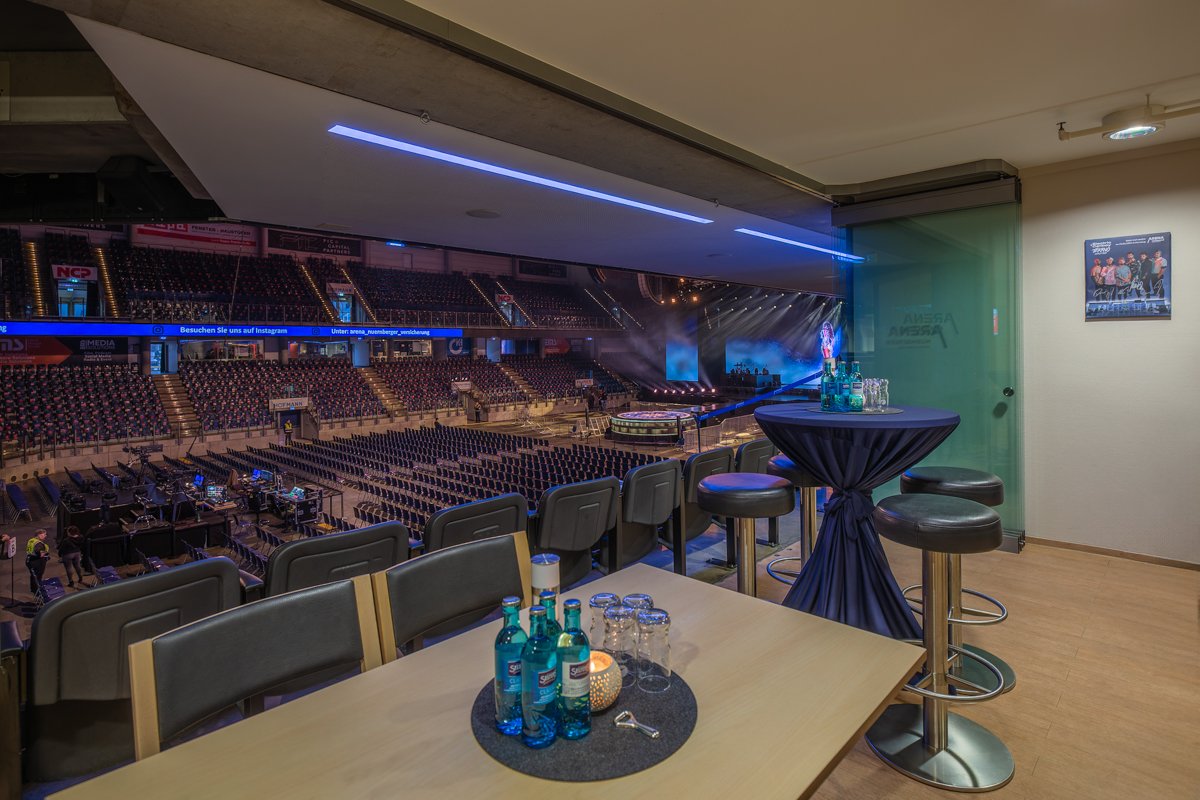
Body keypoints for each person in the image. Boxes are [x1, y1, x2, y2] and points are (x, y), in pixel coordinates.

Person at [26, 529, 50, 593]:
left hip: (29, 560)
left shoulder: (31, 540)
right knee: (38, 577)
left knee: (33, 576)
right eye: (44, 534)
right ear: (39, 535)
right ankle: (37, 591)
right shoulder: (39, 544)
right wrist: (46, 553)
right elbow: (39, 553)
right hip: (37, 563)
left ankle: (33, 589)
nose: (46, 535)